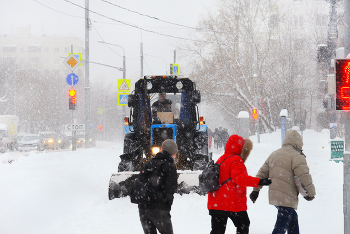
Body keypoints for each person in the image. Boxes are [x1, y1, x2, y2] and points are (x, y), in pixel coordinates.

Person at [249, 129, 316, 234]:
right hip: (287, 197)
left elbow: (262, 173)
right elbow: (304, 177)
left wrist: (255, 190)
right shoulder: (296, 156)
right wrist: (310, 194)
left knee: (292, 219)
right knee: (281, 226)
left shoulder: (274, 154)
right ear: (298, 142)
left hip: (276, 196)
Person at [207, 135, 272, 234]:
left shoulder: (222, 158)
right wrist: (259, 181)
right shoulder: (236, 160)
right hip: (232, 203)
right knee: (244, 224)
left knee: (217, 231)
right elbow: (240, 179)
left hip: (216, 203)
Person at [138, 139, 178, 234]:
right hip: (159, 208)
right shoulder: (170, 167)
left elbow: (140, 182)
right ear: (172, 153)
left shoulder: (149, 163)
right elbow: (170, 190)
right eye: (175, 153)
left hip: (143, 208)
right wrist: (166, 207)